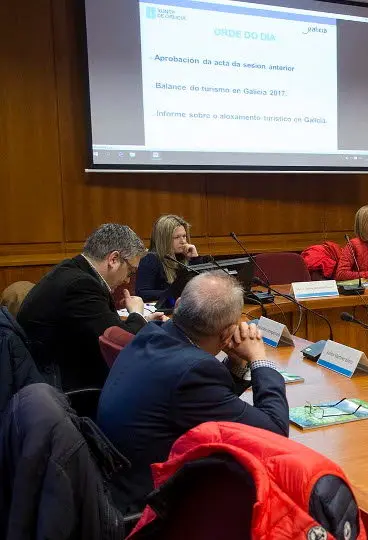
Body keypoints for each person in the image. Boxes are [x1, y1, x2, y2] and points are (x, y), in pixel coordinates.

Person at [96, 271, 289, 514]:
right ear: (227, 333)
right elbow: (275, 434)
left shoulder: (152, 333)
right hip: (152, 507)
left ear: (178, 305)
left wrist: (238, 363)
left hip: (117, 484)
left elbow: (212, 400)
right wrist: (258, 359)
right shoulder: (193, 373)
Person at [17, 224, 161, 392]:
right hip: (64, 388)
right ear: (113, 259)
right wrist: (136, 313)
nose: (128, 281)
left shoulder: (72, 270)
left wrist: (143, 320)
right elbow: (118, 344)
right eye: (130, 272)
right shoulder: (80, 286)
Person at [136, 214, 200, 302]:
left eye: (184, 236)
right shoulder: (150, 259)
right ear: (164, 239)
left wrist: (194, 258)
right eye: (177, 237)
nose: (183, 241)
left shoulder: (183, 256)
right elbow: (142, 293)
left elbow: (200, 286)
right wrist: (171, 294)